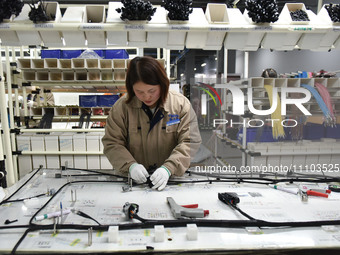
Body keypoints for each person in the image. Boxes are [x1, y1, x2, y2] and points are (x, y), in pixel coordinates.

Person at [102, 56, 201, 191]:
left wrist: (168, 168)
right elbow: (112, 143)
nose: (146, 97)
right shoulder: (121, 108)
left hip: (170, 180)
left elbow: (190, 141)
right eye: (139, 92)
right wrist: (130, 166)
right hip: (132, 183)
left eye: (151, 91)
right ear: (131, 88)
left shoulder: (180, 105)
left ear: (162, 84)